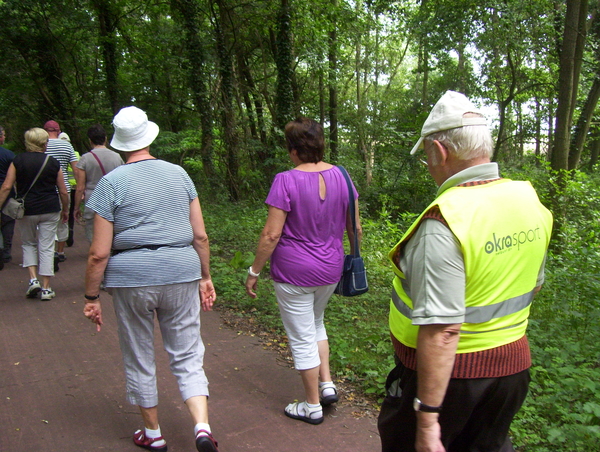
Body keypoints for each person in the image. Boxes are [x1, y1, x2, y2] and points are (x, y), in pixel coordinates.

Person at [377, 91, 553, 452]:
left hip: (450, 381)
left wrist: (427, 420)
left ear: (439, 151)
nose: (428, 165)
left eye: (426, 155)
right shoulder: (527, 199)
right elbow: (532, 285)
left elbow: (442, 331)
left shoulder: (445, 221)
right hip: (512, 371)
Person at [83, 106, 219, 452]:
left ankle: (153, 434)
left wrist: (91, 296)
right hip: (181, 270)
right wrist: (205, 276)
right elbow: (199, 236)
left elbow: (99, 253)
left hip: (131, 278)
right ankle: (202, 427)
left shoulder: (110, 184)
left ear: (119, 144)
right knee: (188, 352)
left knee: (139, 353)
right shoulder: (179, 175)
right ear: (149, 136)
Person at [244, 117, 362, 425]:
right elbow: (355, 227)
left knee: (301, 337)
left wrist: (254, 270)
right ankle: (327, 383)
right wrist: (349, 256)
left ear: (294, 149)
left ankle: (312, 406)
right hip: (331, 268)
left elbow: (271, 235)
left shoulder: (286, 180)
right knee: (316, 322)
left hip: (294, 272)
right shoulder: (344, 177)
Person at [0, 128, 69, 300]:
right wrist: (65, 209)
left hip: (27, 209)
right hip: (50, 208)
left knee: (28, 243)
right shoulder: (53, 162)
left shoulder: (18, 160)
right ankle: (46, 288)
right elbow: (63, 191)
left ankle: (33, 280)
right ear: (43, 143)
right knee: (46, 247)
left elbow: (7, 186)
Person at [74, 124, 123, 242]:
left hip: (92, 202)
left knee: (94, 238)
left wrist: (76, 208)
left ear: (90, 140)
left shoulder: (85, 158)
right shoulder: (117, 157)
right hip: (113, 201)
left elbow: (80, 187)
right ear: (106, 138)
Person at [43, 120, 78, 263]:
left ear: (45, 131)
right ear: (58, 131)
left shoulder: (41, 146)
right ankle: (61, 251)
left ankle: (49, 251)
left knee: (47, 222)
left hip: (46, 189)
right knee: (63, 219)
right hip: (65, 189)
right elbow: (76, 168)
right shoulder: (67, 145)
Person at [58, 131, 80, 247]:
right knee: (70, 212)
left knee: (62, 212)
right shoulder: (75, 154)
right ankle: (70, 232)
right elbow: (78, 170)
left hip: (63, 187)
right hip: (74, 187)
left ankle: (60, 240)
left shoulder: (55, 153)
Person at [0, 125, 15, 269]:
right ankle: (5, 252)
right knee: (8, 222)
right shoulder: (9, 155)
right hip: (7, 193)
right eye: (3, 135)